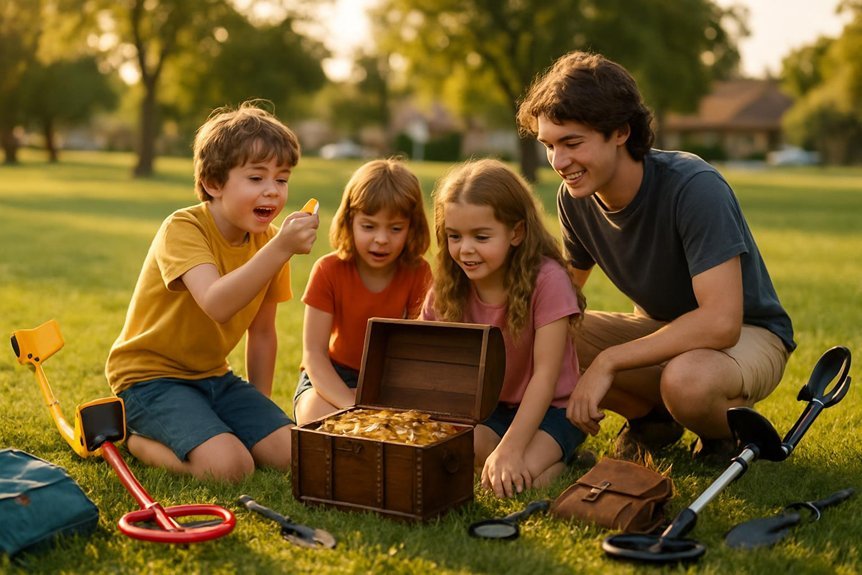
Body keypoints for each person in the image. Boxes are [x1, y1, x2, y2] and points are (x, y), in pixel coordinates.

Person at [515, 51, 796, 464]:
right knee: (555, 331)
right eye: (549, 146)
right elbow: (562, 296)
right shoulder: (574, 198)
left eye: (572, 143)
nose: (559, 162)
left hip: (748, 333)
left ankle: (723, 432)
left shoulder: (694, 186)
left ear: (620, 132)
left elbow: (721, 323)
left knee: (688, 382)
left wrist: (608, 362)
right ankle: (653, 422)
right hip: (664, 333)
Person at [105, 102, 319, 483]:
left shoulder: (269, 243)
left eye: (282, 179)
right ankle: (135, 439)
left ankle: (214, 428)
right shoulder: (184, 228)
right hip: (150, 379)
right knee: (230, 468)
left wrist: (258, 408)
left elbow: (264, 331)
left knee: (295, 454)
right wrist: (280, 248)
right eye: (256, 178)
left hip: (214, 376)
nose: (272, 191)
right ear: (213, 184)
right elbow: (217, 303)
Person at [421, 158, 587, 498]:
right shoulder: (449, 286)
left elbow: (545, 376)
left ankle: (567, 461)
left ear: (516, 232)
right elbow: (425, 360)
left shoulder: (548, 280)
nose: (465, 249)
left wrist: (510, 450)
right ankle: (526, 456)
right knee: (466, 455)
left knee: (516, 483)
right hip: (487, 410)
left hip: (552, 410)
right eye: (454, 236)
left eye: (481, 236)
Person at [293, 158, 432, 425]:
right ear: (349, 221)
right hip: (331, 374)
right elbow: (314, 355)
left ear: (411, 227)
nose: (381, 239)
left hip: (389, 379)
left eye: (395, 229)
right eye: (368, 226)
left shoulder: (419, 273)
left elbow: (420, 354)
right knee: (315, 417)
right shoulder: (328, 270)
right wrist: (352, 406)